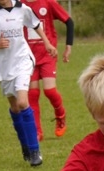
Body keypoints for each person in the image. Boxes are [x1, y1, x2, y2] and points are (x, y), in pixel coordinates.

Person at [0, 0, 57, 167]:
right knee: (15, 107)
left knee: (22, 102)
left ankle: (35, 151)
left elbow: (35, 24)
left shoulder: (22, 8)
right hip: (3, 66)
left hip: (22, 61)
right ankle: (25, 145)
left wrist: (47, 42)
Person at [22, 0, 74, 141]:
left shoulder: (48, 3)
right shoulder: (20, 5)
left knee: (49, 91)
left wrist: (68, 47)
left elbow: (69, 22)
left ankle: (60, 115)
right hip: (28, 57)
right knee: (32, 94)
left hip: (48, 55)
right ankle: (37, 131)